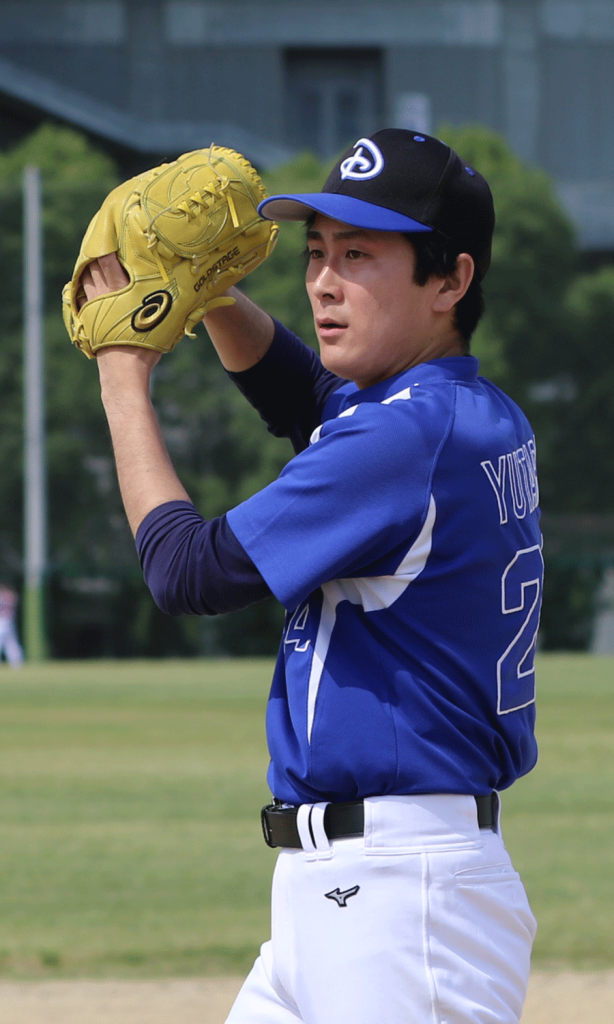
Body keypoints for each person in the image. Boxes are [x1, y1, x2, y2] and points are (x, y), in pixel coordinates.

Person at [81, 129, 542, 1024]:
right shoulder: (463, 411)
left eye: (359, 256)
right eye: (317, 252)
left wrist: (122, 374)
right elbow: (311, 400)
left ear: (451, 280)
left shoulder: (402, 436)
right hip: (358, 892)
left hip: (403, 907)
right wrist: (213, 293)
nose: (325, 282)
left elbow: (187, 572)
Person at [0, 584, 24, 667]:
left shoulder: (6, 596)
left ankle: (17, 662)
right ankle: (17, 662)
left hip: (3, 620)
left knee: (8, 642)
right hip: (9, 621)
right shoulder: (11, 596)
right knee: (11, 642)